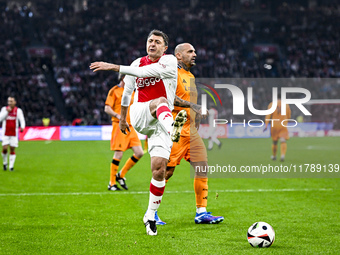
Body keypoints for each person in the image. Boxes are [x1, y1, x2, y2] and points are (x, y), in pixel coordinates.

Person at [90, 29, 187, 236]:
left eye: (157, 42)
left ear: (165, 47)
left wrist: (114, 66)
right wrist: (123, 118)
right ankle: (173, 129)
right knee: (160, 101)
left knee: (159, 169)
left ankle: (150, 215)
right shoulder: (135, 63)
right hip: (142, 113)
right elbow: (126, 94)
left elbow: (146, 73)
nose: (152, 44)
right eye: (149, 40)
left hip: (160, 122)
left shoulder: (169, 61)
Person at [164, 43, 224, 224]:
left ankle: (201, 212)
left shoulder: (190, 76)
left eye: (195, 51)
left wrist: (197, 119)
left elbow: (192, 102)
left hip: (191, 129)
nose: (194, 54)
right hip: (176, 126)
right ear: (179, 56)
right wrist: (193, 107)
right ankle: (153, 211)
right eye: (190, 51)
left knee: (202, 167)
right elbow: (170, 98)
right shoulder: (171, 73)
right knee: (167, 170)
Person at [104, 74, 143, 191]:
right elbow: (107, 108)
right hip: (119, 125)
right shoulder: (114, 91)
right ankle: (111, 183)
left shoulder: (133, 92)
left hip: (131, 126)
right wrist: (118, 116)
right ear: (122, 78)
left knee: (139, 152)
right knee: (119, 154)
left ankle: (120, 175)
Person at [0, 96, 25, 171]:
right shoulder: (4, 109)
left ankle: (11, 167)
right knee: (4, 148)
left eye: (11, 101)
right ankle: (5, 163)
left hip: (14, 133)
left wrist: (22, 126)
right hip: (5, 133)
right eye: (9, 101)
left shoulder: (18, 110)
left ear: (15, 102)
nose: (9, 103)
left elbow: (22, 119)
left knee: (12, 148)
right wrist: (7, 112)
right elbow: (0, 119)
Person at [264, 97, 291, 162]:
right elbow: (289, 115)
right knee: (283, 140)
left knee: (274, 141)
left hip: (274, 125)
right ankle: (282, 155)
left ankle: (274, 156)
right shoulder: (286, 105)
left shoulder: (271, 104)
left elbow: (268, 115)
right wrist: (287, 121)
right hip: (283, 124)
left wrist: (266, 125)